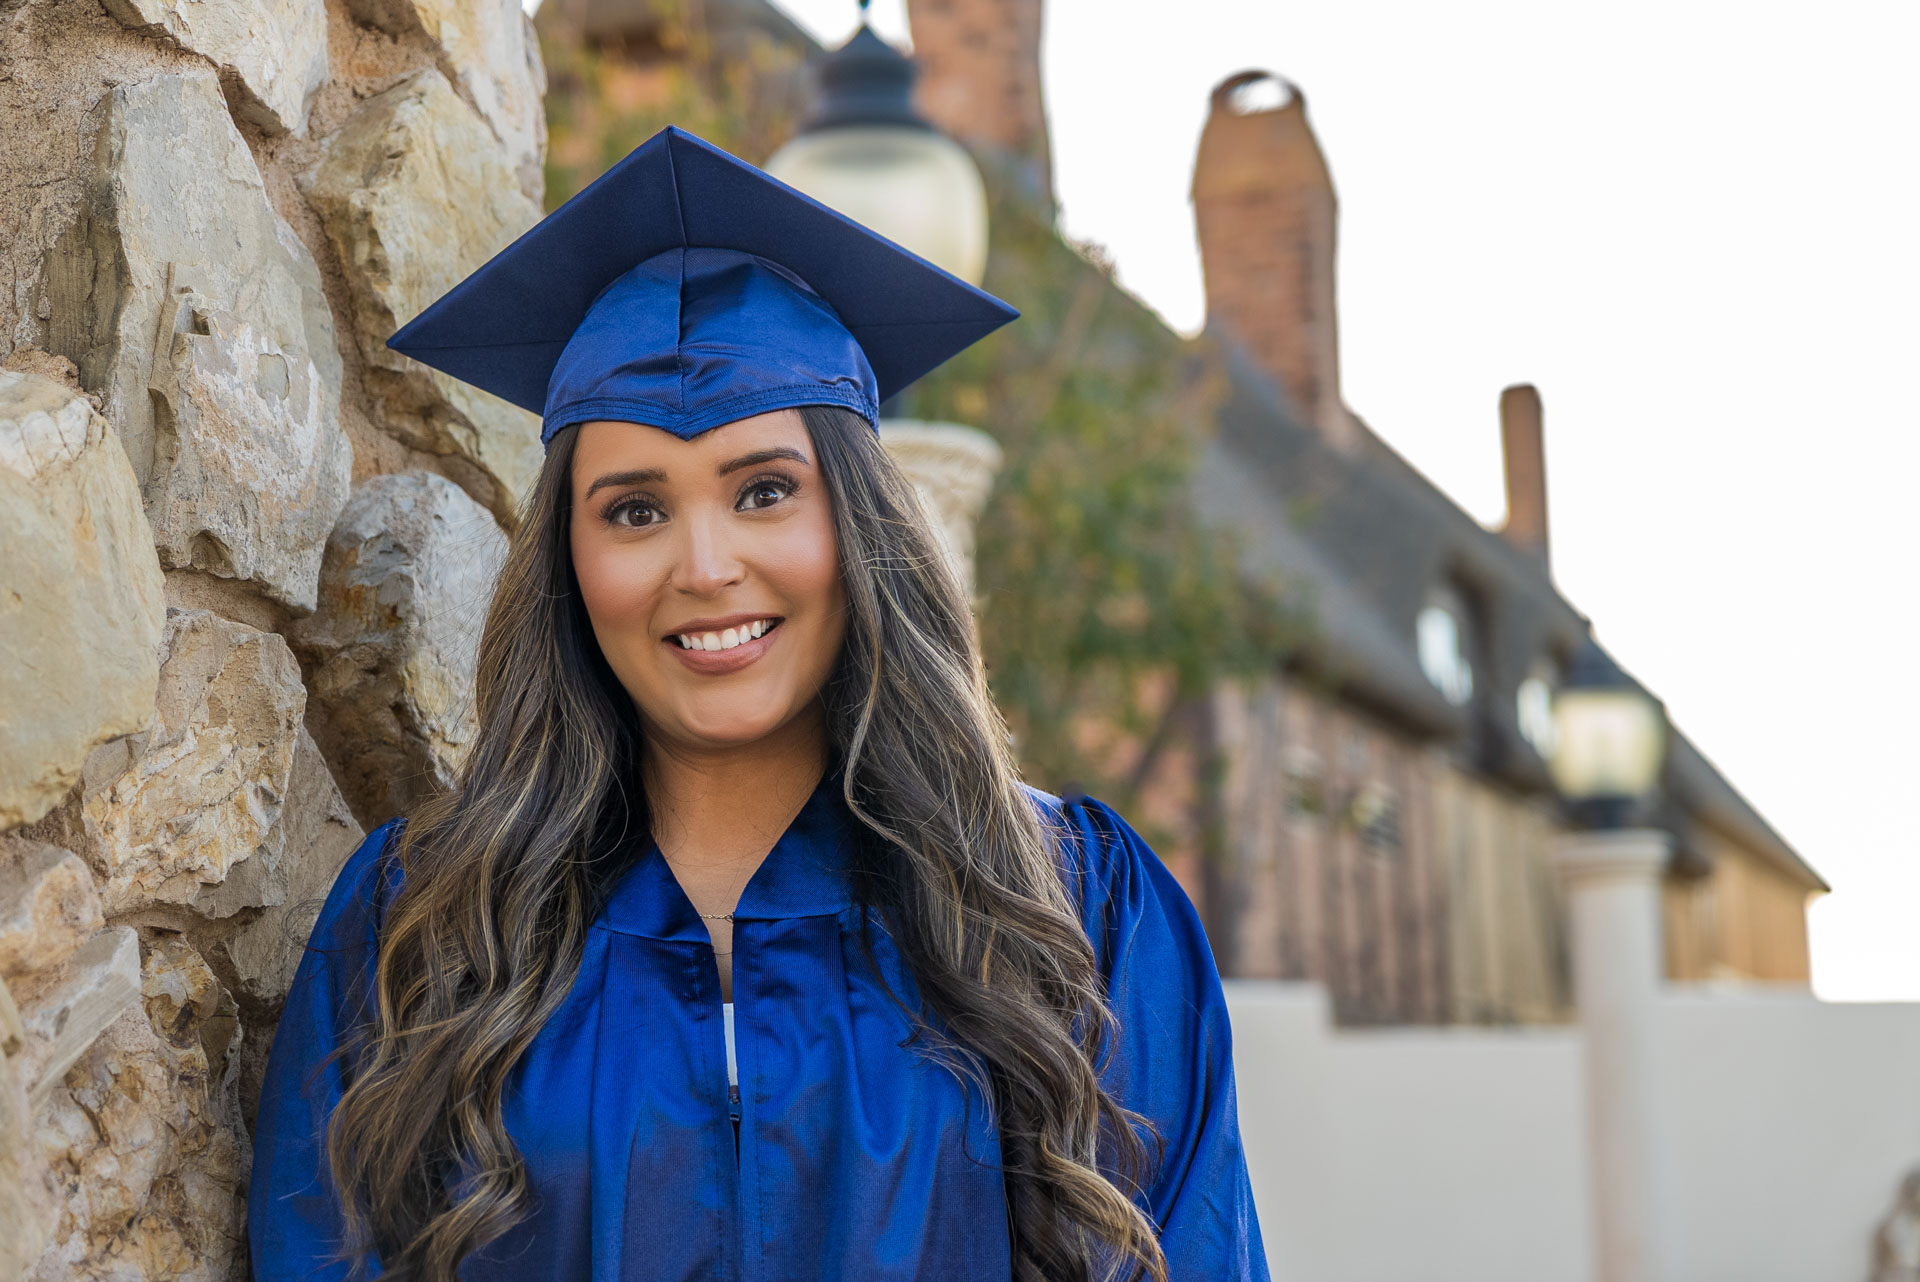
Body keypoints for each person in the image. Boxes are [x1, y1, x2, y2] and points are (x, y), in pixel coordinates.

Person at [248, 126, 1269, 1282]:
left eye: (765, 490)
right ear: (570, 564)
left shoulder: (1076, 910)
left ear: (861, 528)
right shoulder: (422, 929)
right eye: (634, 509)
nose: (705, 563)